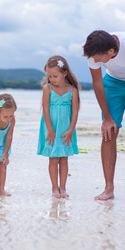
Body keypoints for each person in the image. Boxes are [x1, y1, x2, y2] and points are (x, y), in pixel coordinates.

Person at [83, 30, 125, 202]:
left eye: (100, 58)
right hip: (112, 83)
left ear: (112, 52)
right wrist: (107, 118)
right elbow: (98, 83)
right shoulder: (94, 50)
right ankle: (108, 188)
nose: (96, 61)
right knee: (109, 132)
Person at [37, 55, 80, 198]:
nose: (51, 79)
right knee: (53, 158)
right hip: (51, 129)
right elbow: (46, 110)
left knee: (64, 159)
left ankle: (63, 188)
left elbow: (75, 112)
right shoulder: (47, 89)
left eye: (55, 76)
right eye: (49, 76)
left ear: (64, 73)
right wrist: (49, 129)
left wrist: (70, 131)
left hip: (66, 130)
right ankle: (55, 188)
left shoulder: (72, 90)